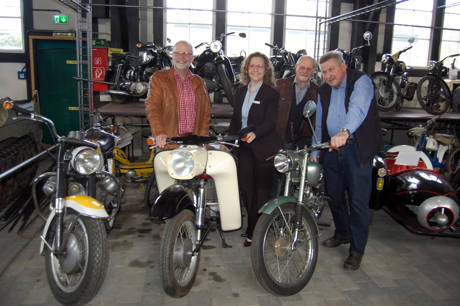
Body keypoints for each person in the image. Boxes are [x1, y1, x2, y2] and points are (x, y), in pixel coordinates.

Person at [311, 51, 383, 270]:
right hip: (332, 150)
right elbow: (321, 122)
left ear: (342, 66)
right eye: (324, 72)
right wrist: (316, 151)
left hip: (356, 149)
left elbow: (358, 109)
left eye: (331, 69)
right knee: (333, 196)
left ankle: (356, 250)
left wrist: (344, 132)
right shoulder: (323, 90)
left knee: (359, 202)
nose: (328, 75)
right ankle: (342, 233)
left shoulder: (361, 81)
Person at [228, 52, 282, 247]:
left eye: (260, 66)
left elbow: (271, 122)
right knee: (246, 188)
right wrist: (227, 140)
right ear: (246, 68)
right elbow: (236, 120)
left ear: (266, 69)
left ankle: (254, 230)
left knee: (262, 191)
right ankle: (253, 224)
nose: (256, 69)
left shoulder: (271, 93)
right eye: (252, 65)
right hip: (244, 147)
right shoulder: (241, 91)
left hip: (264, 146)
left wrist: (256, 133)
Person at [145, 40, 211, 147]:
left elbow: (205, 113)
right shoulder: (158, 78)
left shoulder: (199, 82)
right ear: (172, 56)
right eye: (178, 53)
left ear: (192, 58)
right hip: (169, 141)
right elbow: (153, 108)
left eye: (186, 54)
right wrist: (159, 132)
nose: (182, 57)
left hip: (194, 143)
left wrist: (203, 138)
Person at [276, 55, 318, 148]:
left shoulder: (318, 92)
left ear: (313, 71)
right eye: (302, 67)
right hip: (278, 141)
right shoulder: (279, 85)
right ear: (296, 67)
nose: (305, 71)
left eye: (309, 69)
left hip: (303, 144)